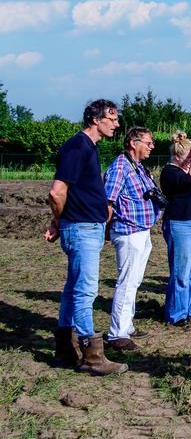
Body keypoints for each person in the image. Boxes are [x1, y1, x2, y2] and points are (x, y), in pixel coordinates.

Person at [44, 99, 128, 375]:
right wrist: (59, 220)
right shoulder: (78, 147)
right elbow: (57, 192)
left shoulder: (87, 147)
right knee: (86, 290)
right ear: (95, 119)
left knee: (73, 288)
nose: (116, 124)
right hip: (80, 229)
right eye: (111, 118)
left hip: (83, 227)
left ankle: (65, 349)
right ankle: (91, 354)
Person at [103, 126, 162, 352]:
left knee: (134, 281)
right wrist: (105, 230)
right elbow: (107, 202)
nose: (151, 147)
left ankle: (126, 325)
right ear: (133, 143)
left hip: (141, 231)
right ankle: (117, 334)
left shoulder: (137, 167)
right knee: (126, 282)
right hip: (128, 232)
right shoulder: (120, 168)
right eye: (148, 143)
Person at [160, 131, 191, 327]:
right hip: (180, 224)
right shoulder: (170, 172)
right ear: (180, 155)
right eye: (189, 157)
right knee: (181, 272)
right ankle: (176, 313)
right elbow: (190, 181)